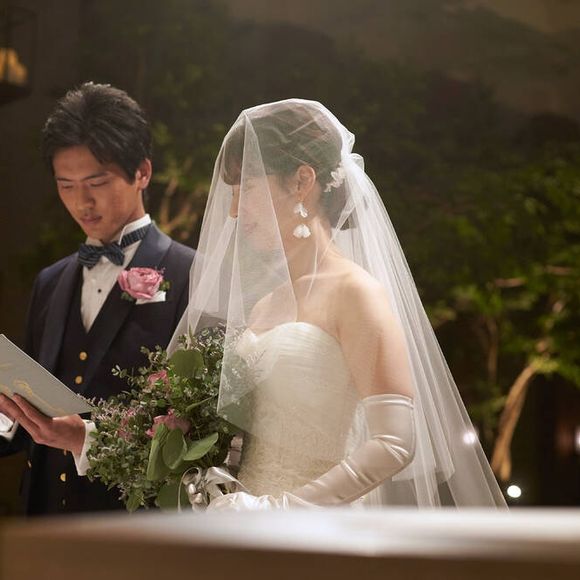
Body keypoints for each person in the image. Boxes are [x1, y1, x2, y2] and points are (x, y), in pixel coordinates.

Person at [169, 99, 507, 509]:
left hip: (315, 524)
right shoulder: (265, 305)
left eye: (248, 189)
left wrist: (280, 511)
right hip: (244, 521)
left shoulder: (356, 292)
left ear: (301, 181)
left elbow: (395, 443)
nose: (236, 211)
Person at [0, 82, 195, 515]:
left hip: (133, 521)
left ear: (142, 172)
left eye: (97, 182)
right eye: (66, 185)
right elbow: (19, 417)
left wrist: (85, 437)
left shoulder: (190, 275)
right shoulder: (50, 281)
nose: (81, 202)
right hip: (45, 517)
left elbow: (196, 428)